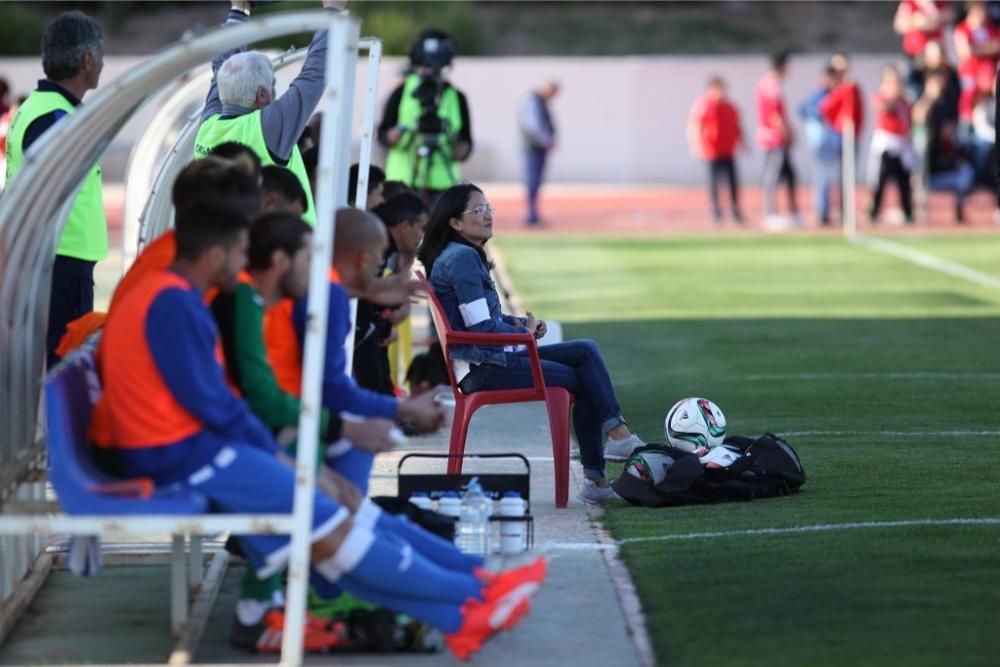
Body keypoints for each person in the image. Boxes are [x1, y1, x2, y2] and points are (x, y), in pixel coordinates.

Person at [95, 199, 546, 658]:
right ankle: (467, 599)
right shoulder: (183, 302)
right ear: (219, 256)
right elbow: (225, 404)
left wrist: (302, 452)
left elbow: (224, 403)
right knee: (329, 519)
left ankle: (470, 598)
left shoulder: (187, 296)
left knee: (335, 515)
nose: (244, 265)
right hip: (175, 453)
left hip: (191, 446)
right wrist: (306, 449)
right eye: (309, 257)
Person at [417, 184, 646, 504]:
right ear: (455, 223)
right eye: (478, 210)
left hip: (489, 358)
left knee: (585, 350)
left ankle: (616, 436)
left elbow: (480, 320)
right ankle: (600, 472)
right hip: (486, 368)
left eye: (489, 208)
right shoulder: (463, 258)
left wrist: (519, 325)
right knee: (584, 380)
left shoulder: (459, 254)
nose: (487, 215)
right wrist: (522, 336)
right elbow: (480, 327)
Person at [4, 11, 106, 368]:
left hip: (56, 258)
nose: (103, 63)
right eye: (101, 54)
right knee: (64, 366)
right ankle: (52, 426)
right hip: (60, 262)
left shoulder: (44, 107)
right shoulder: (57, 118)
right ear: (87, 59)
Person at [193, 0, 347, 226]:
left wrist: (239, 11)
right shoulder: (265, 128)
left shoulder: (208, 126)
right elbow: (313, 77)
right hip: (291, 247)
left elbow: (223, 66)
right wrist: (332, 11)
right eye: (273, 84)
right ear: (262, 96)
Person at [378, 28, 473, 201]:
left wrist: (460, 148)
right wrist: (393, 136)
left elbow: (467, 142)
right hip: (403, 182)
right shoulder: (401, 91)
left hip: (443, 184)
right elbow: (382, 134)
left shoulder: (457, 97)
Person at [352, 192, 429, 395]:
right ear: (405, 226)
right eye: (421, 229)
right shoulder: (376, 240)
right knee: (371, 333)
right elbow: (360, 297)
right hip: (350, 318)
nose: (422, 236)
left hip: (357, 314)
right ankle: (379, 410)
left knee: (376, 331)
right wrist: (383, 328)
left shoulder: (386, 245)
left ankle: (385, 405)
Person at [915, 72, 976, 222]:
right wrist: (929, 97)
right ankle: (919, 212)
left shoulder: (947, 106)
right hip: (926, 166)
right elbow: (918, 116)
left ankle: (959, 210)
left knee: (965, 173)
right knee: (919, 159)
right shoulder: (925, 104)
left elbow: (951, 135)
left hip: (942, 165)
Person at [687, 76, 744, 224]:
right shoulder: (704, 105)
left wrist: (742, 141)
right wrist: (696, 144)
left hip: (728, 149)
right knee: (713, 182)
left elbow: (737, 125)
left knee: (732, 181)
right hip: (711, 150)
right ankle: (716, 211)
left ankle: (735, 210)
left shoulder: (729, 106)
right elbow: (694, 125)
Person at [756, 51, 801, 227]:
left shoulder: (767, 83)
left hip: (774, 137)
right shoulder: (771, 85)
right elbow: (776, 115)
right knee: (773, 175)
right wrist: (787, 132)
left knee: (789, 175)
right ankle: (770, 213)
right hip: (774, 139)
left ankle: (793, 212)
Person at [868, 65, 914, 224]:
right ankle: (874, 211)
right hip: (886, 144)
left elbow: (909, 121)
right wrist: (891, 96)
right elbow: (882, 108)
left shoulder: (904, 101)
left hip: (902, 145)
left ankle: (908, 212)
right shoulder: (883, 97)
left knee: (904, 182)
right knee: (880, 181)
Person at [798, 66, 841, 225]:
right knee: (822, 176)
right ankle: (822, 211)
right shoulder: (819, 93)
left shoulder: (836, 93)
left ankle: (827, 210)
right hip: (821, 139)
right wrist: (819, 115)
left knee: (828, 176)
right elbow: (803, 109)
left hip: (831, 139)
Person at [953, 1, 1000, 130]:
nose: (984, 15)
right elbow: (966, 51)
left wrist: (977, 49)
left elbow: (998, 45)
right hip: (970, 73)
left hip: (988, 73)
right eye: (980, 11)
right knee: (968, 96)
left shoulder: (991, 28)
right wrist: (989, 47)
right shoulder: (962, 29)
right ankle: (966, 126)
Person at [519, 81, 559, 226]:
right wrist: (547, 140)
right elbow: (533, 126)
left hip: (537, 149)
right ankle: (531, 215)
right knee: (533, 182)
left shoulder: (540, 102)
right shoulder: (533, 102)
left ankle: (533, 213)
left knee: (536, 183)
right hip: (533, 149)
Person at [894, 1, 954, 68]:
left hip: (937, 52)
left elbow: (950, 14)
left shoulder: (938, 2)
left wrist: (935, 19)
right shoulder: (909, 3)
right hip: (916, 52)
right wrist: (915, 21)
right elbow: (898, 25)